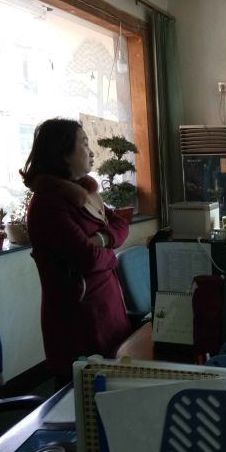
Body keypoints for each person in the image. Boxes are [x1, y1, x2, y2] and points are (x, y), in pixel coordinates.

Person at [20, 118, 133, 385]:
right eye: (84, 144)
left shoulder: (87, 193)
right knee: (83, 400)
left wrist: (101, 239)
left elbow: (120, 225)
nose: (91, 152)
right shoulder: (47, 204)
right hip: (79, 323)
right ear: (63, 154)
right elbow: (87, 258)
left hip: (108, 313)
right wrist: (110, 254)